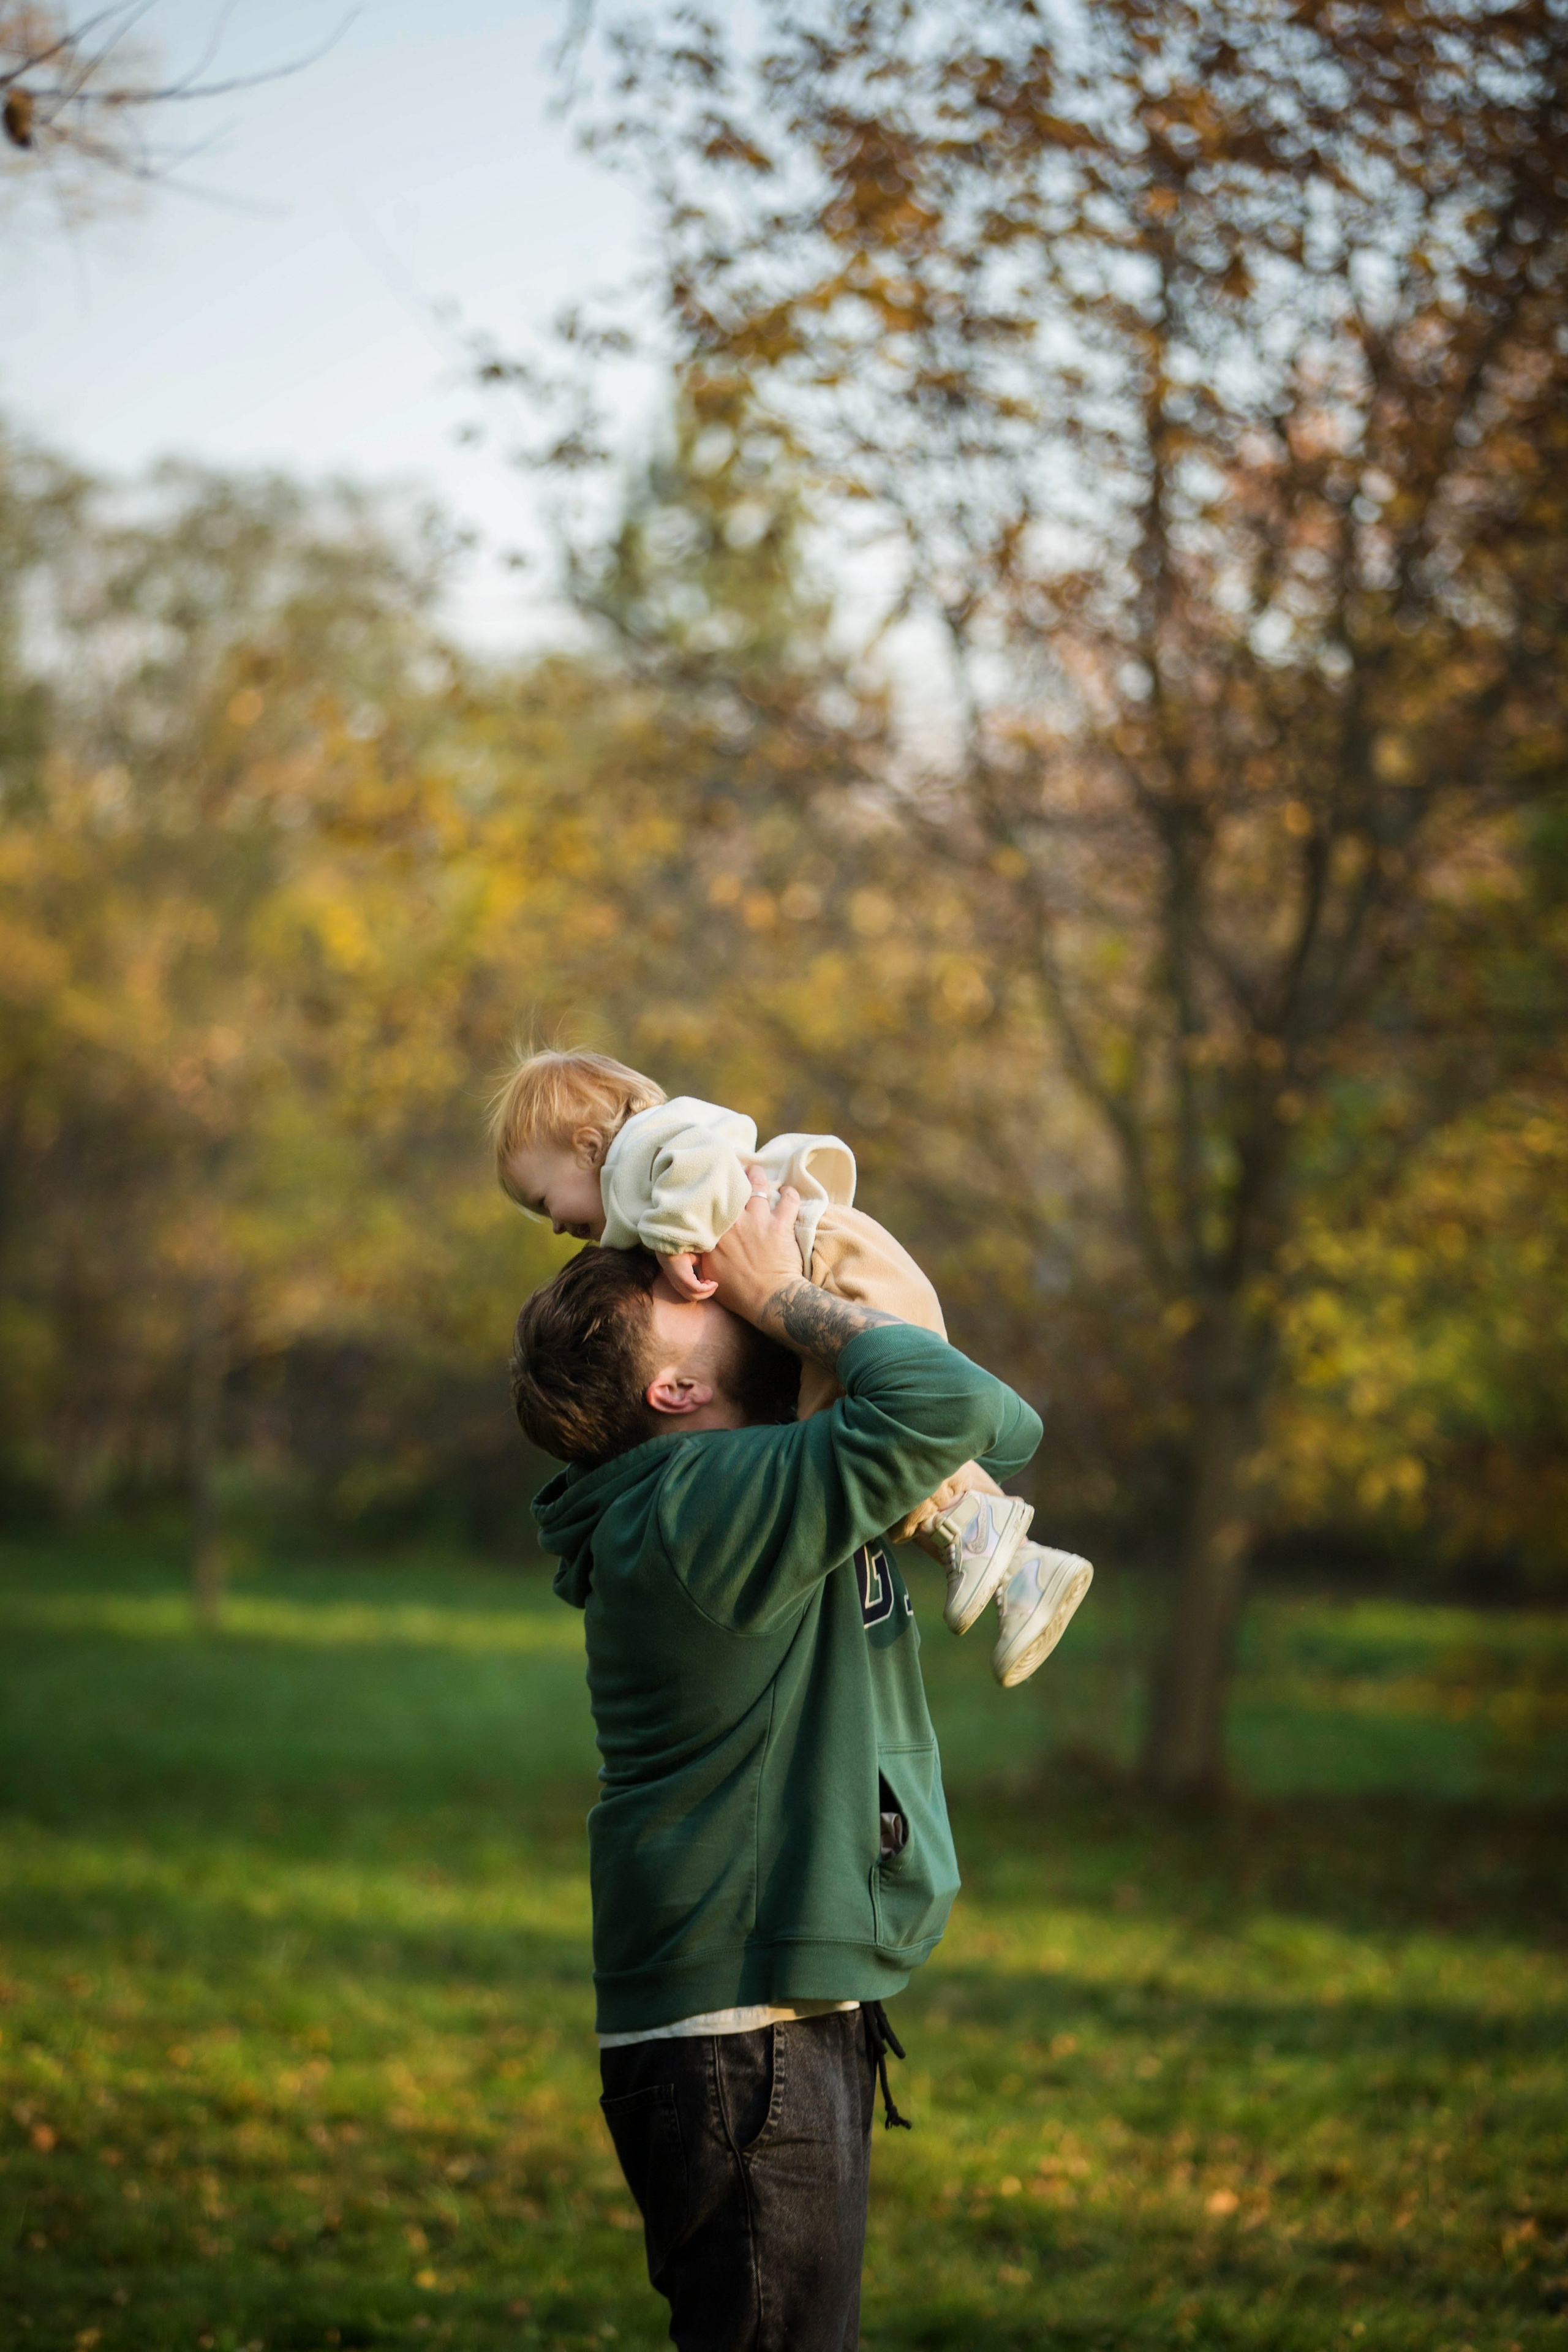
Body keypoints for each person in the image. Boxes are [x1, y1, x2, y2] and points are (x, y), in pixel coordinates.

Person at [510, 1175, 1045, 2350]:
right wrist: (789, 1293)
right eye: (683, 1290)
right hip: (742, 2038)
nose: (713, 1272)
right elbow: (961, 1402)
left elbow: (995, 1424)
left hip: (751, 2022)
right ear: (675, 1388)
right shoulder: (702, 1500)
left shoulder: (731, 1481)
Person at [493, 1044, 1091, 1687]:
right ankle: (1015, 1559)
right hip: (836, 1274)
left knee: (855, 1421)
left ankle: (979, 1540)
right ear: (671, 1390)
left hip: (832, 1264)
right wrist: (769, 1292)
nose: (551, 1227)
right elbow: (975, 1416)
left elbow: (978, 1415)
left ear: (588, 1146)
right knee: (866, 1430)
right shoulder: (701, 1507)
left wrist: (758, 1285)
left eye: (540, 1197)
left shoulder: (649, 1151)